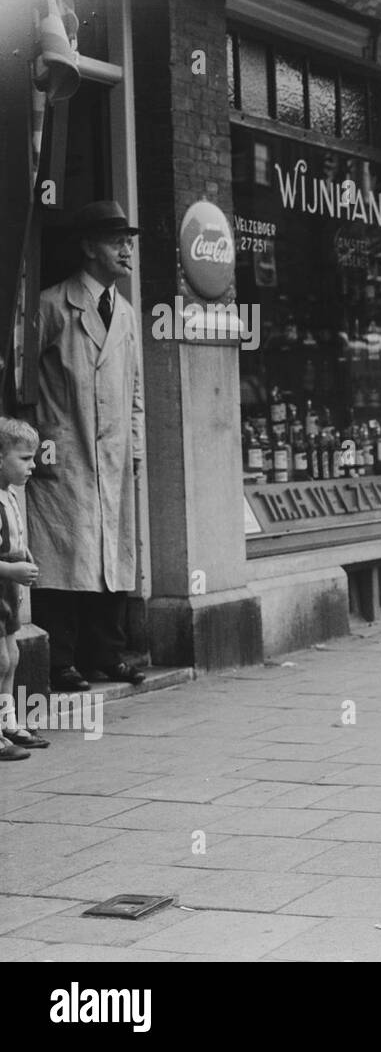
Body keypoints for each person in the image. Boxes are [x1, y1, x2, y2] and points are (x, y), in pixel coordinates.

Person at [26, 200, 146, 693]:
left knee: (111, 557)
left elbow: (136, 389)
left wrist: (134, 449)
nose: (127, 249)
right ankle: (62, 661)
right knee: (63, 557)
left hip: (113, 457)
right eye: (116, 240)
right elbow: (22, 381)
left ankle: (107, 654)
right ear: (87, 247)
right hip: (65, 450)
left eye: (128, 240)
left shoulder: (129, 313)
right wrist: (37, 442)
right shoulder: (53, 305)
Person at [0, 419, 47, 759]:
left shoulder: (11, 495)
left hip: (7, 594)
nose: (33, 466)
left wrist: (22, 554)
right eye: (25, 458)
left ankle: (8, 722)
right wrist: (13, 568)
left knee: (11, 657)